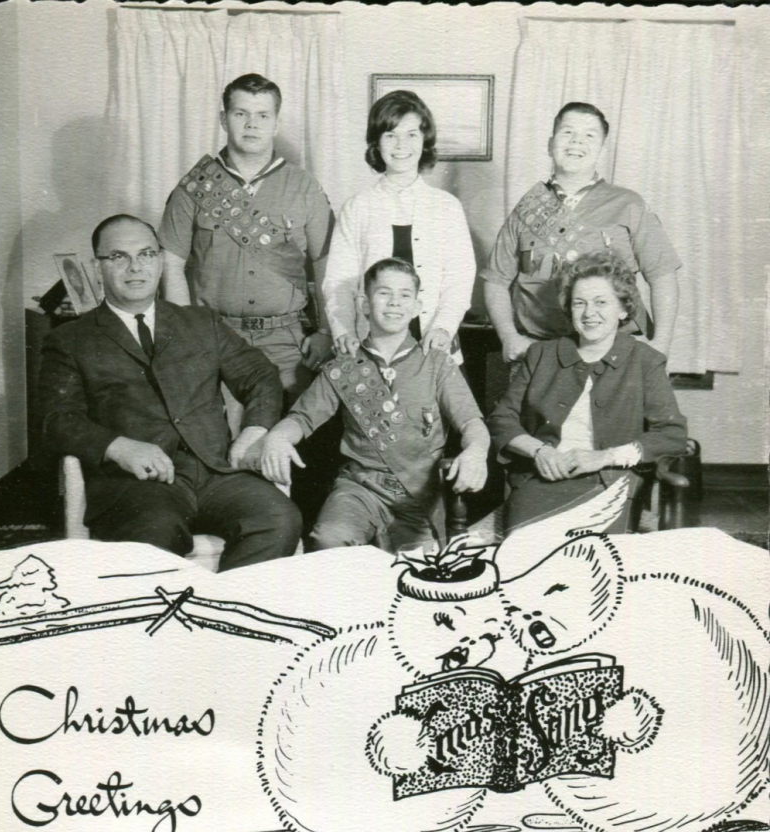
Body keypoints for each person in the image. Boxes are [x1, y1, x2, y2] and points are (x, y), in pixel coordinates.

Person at [39, 214, 302, 571]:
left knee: (279, 518)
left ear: (161, 261)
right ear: (97, 266)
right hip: (135, 485)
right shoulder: (70, 339)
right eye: (118, 257)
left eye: (146, 254)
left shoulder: (200, 322)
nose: (135, 267)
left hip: (215, 473)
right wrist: (119, 446)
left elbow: (261, 375)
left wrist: (254, 431)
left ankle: (223, 616)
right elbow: (57, 419)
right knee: (155, 533)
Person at [260, 258, 489, 553]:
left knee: (418, 574)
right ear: (364, 304)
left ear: (417, 307)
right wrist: (278, 437)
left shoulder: (437, 364)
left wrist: (476, 451)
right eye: (383, 293)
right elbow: (301, 418)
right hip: (359, 489)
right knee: (327, 540)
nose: (394, 303)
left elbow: (472, 423)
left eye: (405, 295)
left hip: (418, 494)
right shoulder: (344, 367)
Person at [159, 73, 335, 401]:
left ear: (276, 123)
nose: (252, 124)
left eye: (262, 115)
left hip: (287, 342)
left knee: (286, 440)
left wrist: (326, 330)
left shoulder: (304, 186)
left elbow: (325, 262)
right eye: (241, 114)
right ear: (223, 119)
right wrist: (190, 336)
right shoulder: (194, 187)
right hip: (215, 337)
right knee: (221, 442)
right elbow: (171, 264)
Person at [487, 250, 687, 535]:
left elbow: (672, 435)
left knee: (590, 559)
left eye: (601, 302)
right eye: (579, 303)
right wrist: (540, 451)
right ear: (569, 309)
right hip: (541, 477)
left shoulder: (645, 360)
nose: (589, 313)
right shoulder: (541, 354)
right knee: (524, 555)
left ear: (623, 309)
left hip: (611, 482)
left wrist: (604, 457)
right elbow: (501, 419)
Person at [482, 102, 680, 365]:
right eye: (567, 133)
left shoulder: (629, 204)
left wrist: (661, 344)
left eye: (589, 135)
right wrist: (508, 336)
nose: (577, 142)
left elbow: (663, 275)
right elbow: (495, 280)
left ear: (602, 148)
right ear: (550, 144)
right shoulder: (526, 208)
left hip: (616, 350)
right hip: (541, 351)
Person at [323, 90, 475, 361]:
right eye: (390, 135)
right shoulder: (357, 207)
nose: (400, 145)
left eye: (411, 134)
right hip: (368, 348)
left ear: (424, 141)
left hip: (434, 345)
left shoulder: (447, 207)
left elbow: (459, 279)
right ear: (377, 143)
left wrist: (443, 328)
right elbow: (339, 282)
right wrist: (342, 331)